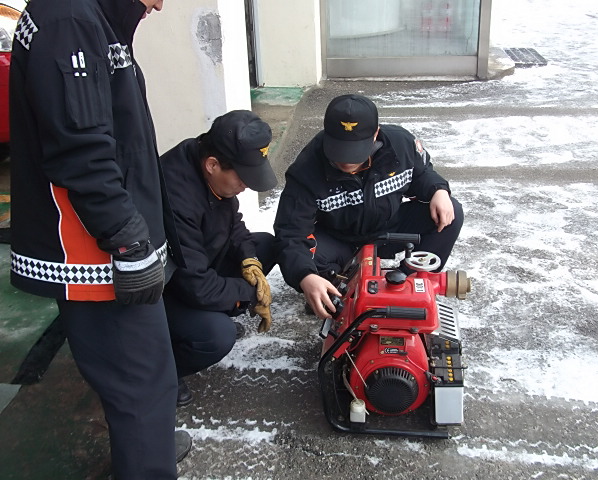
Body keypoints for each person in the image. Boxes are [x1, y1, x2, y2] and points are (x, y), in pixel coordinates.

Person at [9, 0, 191, 478]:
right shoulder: (70, 20)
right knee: (142, 384)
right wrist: (127, 239)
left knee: (139, 377)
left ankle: (146, 445)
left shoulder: (88, 18)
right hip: (93, 251)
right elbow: (81, 149)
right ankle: (146, 459)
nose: (160, 4)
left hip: (105, 241)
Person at [274, 94, 464, 318]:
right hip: (339, 241)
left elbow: (422, 173)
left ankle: (408, 282)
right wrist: (305, 276)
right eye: (339, 150)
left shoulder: (401, 144)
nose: (346, 161)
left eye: (355, 152)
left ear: (376, 134)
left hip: (389, 229)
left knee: (450, 212)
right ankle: (336, 290)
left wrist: (438, 190)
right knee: (305, 260)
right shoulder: (306, 169)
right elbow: (291, 232)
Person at [160, 110, 278, 406]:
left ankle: (215, 313)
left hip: (199, 263)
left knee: (265, 245)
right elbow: (196, 286)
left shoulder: (209, 160)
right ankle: (162, 372)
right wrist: (250, 292)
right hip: (165, 291)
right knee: (217, 335)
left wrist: (250, 262)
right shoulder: (176, 198)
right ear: (212, 165)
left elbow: (233, 222)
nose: (247, 186)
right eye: (243, 177)